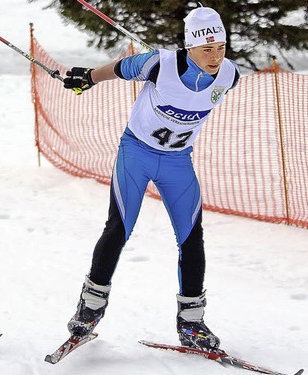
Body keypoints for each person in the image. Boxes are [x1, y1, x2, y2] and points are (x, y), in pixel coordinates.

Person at [61, 6, 241, 351]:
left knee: (191, 236)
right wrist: (86, 77)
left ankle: (192, 322)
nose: (216, 56)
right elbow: (117, 68)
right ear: (190, 46)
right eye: (207, 49)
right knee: (119, 228)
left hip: (177, 162)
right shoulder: (158, 64)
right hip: (137, 154)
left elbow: (198, 92)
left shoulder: (229, 75)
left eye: (221, 47)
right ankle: (90, 309)